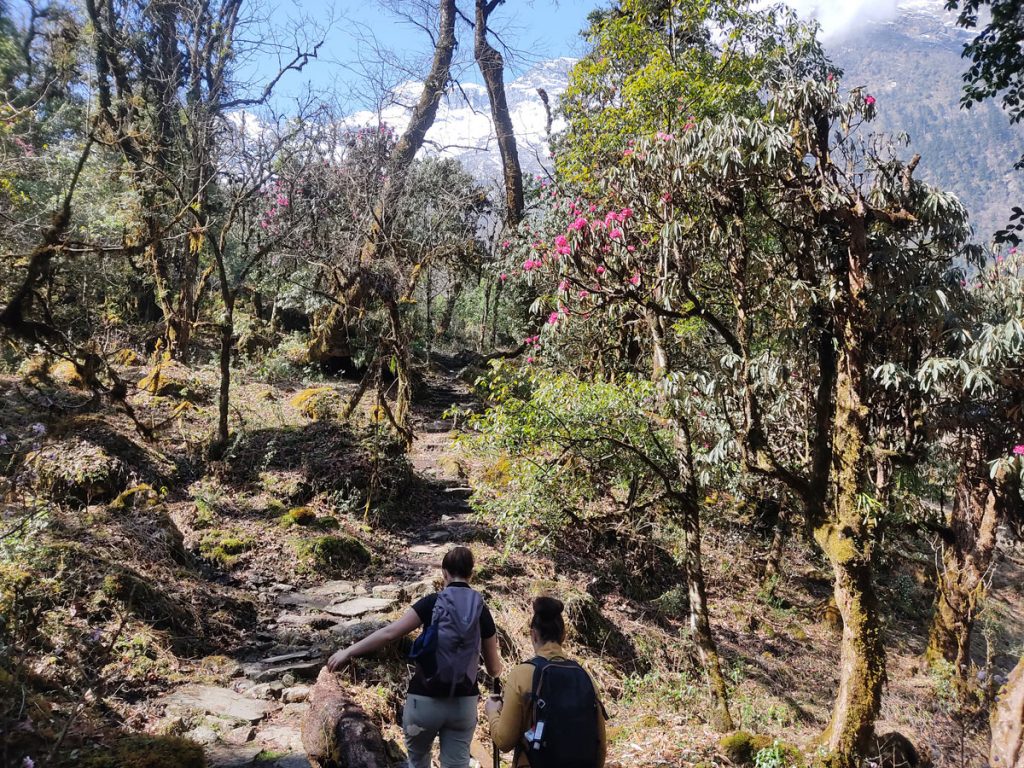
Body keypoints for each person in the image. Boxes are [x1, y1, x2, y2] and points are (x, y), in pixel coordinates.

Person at [326, 546, 502, 768]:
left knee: (418, 762)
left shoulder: (431, 603)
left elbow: (390, 633)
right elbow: (494, 668)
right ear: (471, 574)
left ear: (444, 573)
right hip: (463, 703)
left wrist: (348, 651)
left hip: (424, 701)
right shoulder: (481, 610)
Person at [485, 596, 607, 767]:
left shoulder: (522, 675)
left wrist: (492, 712)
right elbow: (600, 746)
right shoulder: (585, 677)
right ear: (563, 635)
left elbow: (504, 741)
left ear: (533, 635)